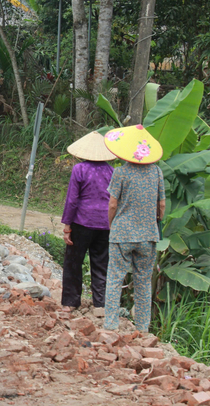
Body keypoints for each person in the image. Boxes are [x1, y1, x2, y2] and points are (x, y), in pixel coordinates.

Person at [103, 124, 165, 332]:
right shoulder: (157, 172)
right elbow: (162, 205)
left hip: (122, 234)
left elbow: (112, 204)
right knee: (144, 281)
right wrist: (155, 220)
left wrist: (113, 225)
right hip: (148, 235)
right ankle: (142, 328)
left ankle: (111, 324)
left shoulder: (120, 173)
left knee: (114, 278)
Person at [60, 131, 116, 312]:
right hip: (105, 223)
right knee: (101, 263)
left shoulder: (80, 169)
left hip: (82, 221)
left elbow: (72, 199)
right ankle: (100, 305)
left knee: (73, 262)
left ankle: (70, 302)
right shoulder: (112, 171)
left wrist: (67, 225)